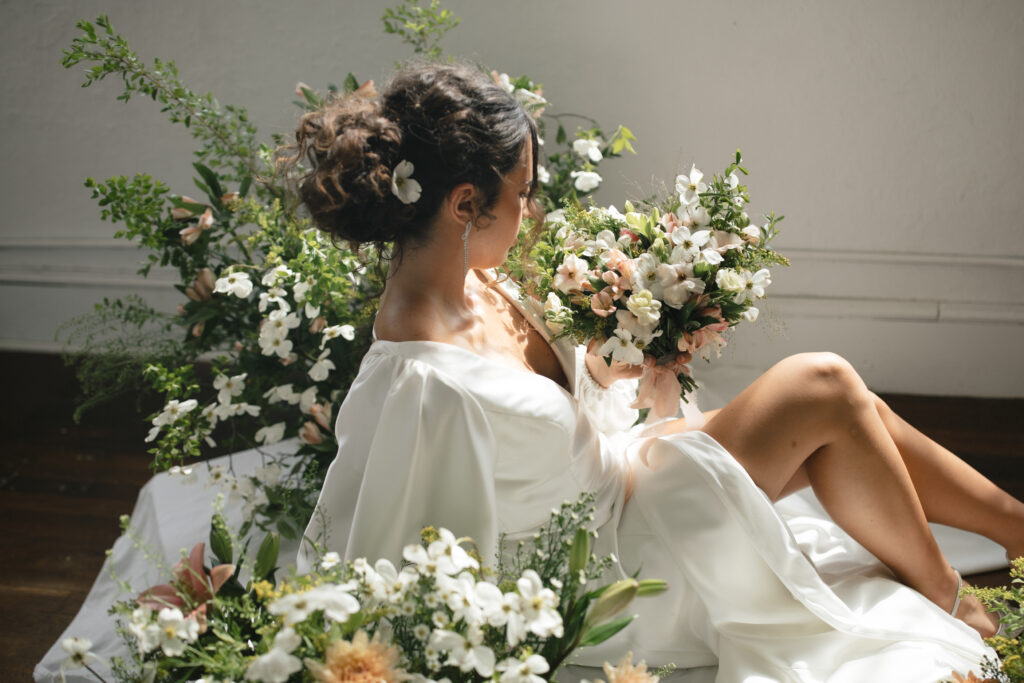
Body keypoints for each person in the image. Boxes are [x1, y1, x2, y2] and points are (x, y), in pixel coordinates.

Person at [289, 62, 1024, 681]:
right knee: (823, 386)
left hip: (630, 482)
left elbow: (554, 399)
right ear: (462, 203)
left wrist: (620, 361)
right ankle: (948, 594)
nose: (532, 207)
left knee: (842, 399)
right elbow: (418, 547)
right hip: (617, 562)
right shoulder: (427, 381)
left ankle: (1018, 529)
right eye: (522, 192)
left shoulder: (474, 281)